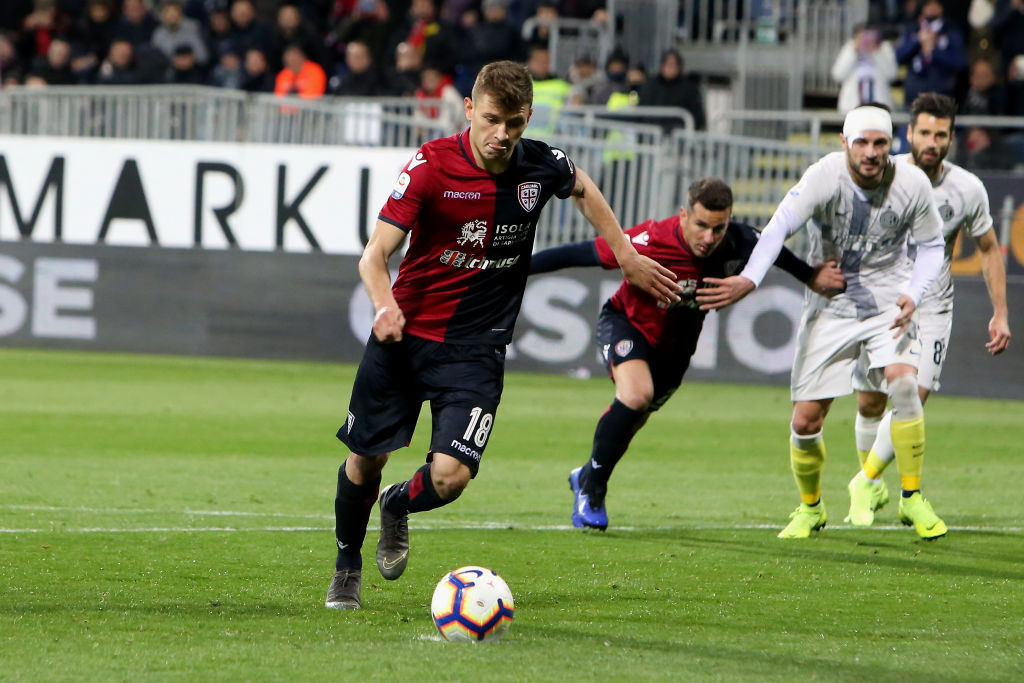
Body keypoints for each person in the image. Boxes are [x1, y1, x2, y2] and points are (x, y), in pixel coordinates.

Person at [324, 60, 680, 610]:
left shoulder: (540, 164)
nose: (502, 134)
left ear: (527, 117)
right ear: (469, 109)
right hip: (405, 338)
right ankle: (347, 565)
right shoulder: (430, 167)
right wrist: (384, 305)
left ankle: (396, 505)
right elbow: (374, 256)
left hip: (478, 348)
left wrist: (626, 254)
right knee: (365, 459)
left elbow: (582, 187)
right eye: (492, 119)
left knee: (451, 477)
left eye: (514, 123)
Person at [528, 178, 847, 530]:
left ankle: (588, 473)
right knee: (635, 396)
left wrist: (810, 276)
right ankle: (593, 490)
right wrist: (516, 268)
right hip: (627, 325)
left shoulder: (740, 241)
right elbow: (577, 253)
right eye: (701, 225)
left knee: (633, 421)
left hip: (676, 350)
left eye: (718, 228)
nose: (709, 238)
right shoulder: (652, 240)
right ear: (683, 215)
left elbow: (773, 250)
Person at [695, 104, 946, 540]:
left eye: (880, 143)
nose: (871, 152)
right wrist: (749, 279)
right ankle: (811, 508)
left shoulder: (912, 183)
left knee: (905, 384)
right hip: (832, 304)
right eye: (861, 142)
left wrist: (915, 292)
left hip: (890, 300)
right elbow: (777, 228)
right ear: (845, 142)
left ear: (892, 144)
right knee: (806, 421)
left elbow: (931, 245)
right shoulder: (823, 177)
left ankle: (911, 496)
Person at [845, 92, 1010, 531]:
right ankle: (873, 485)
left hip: (933, 305)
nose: (932, 142)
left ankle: (870, 482)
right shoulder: (884, 175)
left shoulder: (967, 188)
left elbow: (989, 248)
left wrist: (1000, 312)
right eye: (924, 133)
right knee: (869, 400)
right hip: (880, 303)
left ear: (951, 137)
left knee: (912, 396)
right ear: (909, 133)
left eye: (940, 135)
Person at [895, 0, 967, 106]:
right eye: (928, 4)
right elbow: (898, 57)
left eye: (935, 4)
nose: (932, 7)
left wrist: (933, 51)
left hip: (942, 93)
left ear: (942, 7)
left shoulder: (951, 31)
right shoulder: (912, 29)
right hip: (914, 94)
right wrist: (918, 41)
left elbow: (959, 62)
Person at [831, 23, 898, 114]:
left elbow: (892, 75)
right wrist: (854, 51)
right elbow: (838, 75)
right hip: (851, 106)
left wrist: (876, 52)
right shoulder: (850, 47)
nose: (866, 40)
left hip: (879, 107)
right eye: (864, 36)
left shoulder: (884, 48)